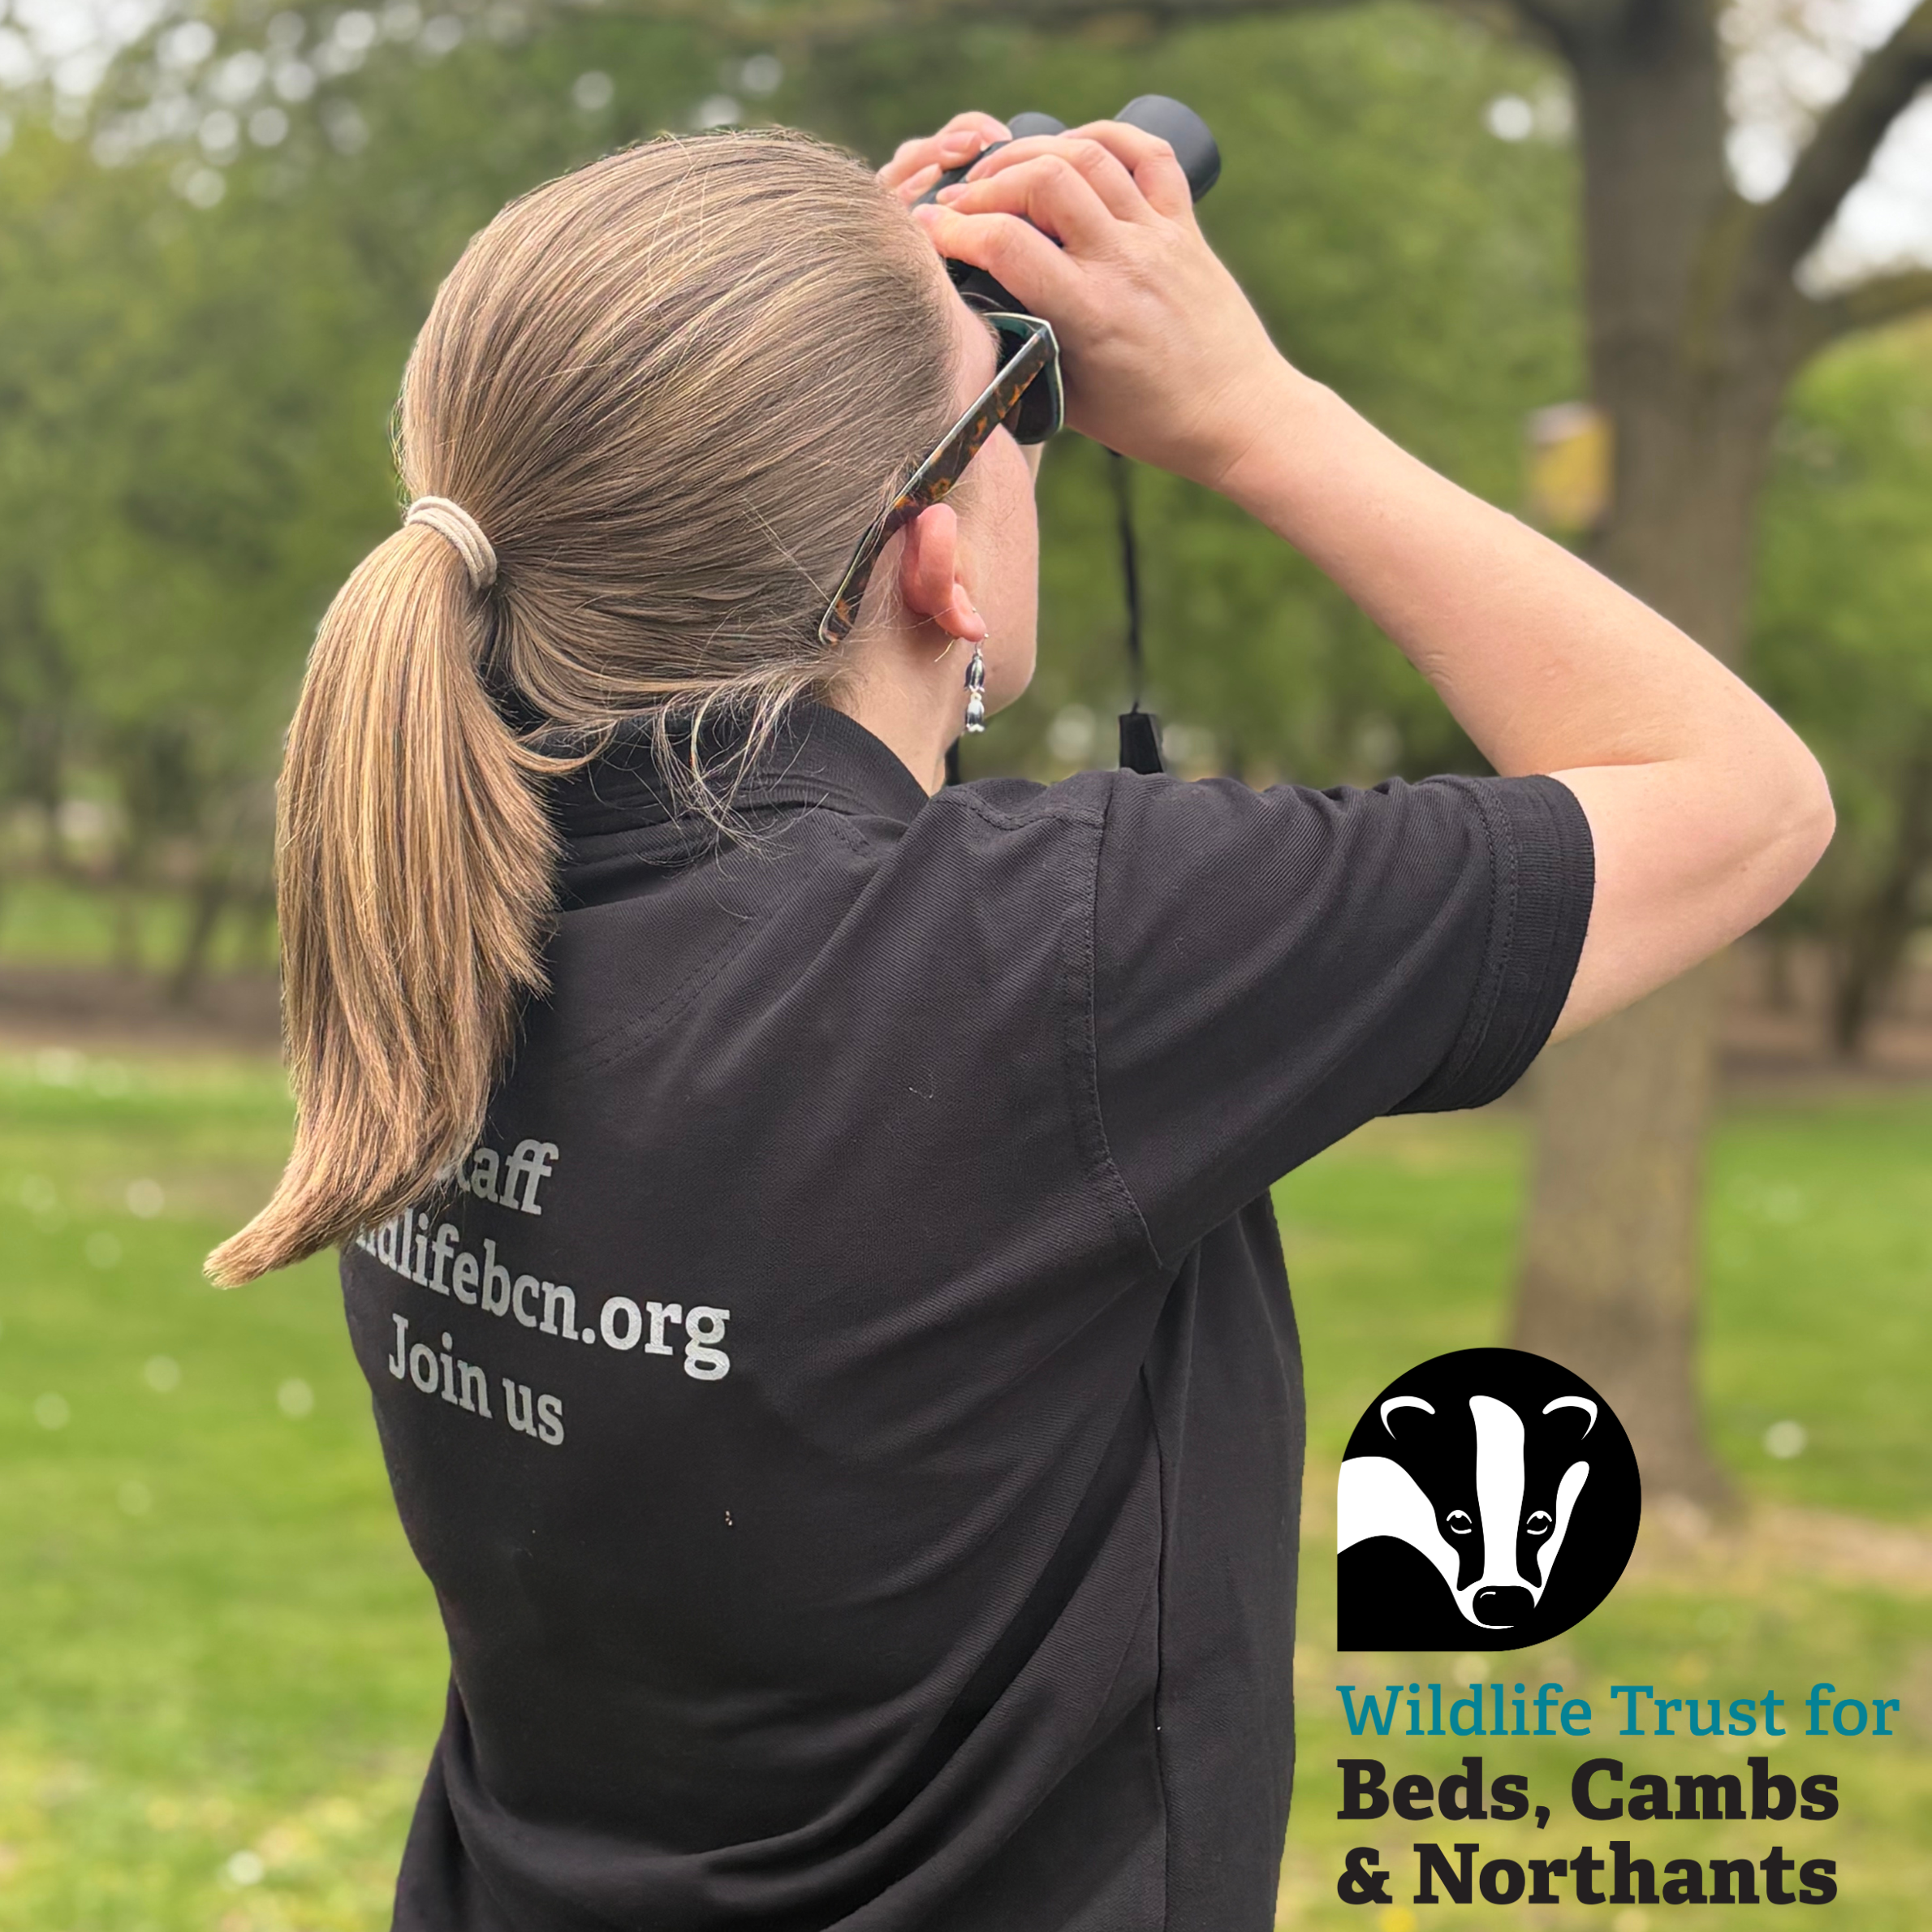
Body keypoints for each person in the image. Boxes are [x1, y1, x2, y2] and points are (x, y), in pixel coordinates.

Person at [211, 115, 1831, 1932]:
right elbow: (1739, 793)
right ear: (939, 562)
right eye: (1014, 426)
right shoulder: (1051, 961)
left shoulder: (439, 898)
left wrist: (811, 310)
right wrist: (1239, 408)